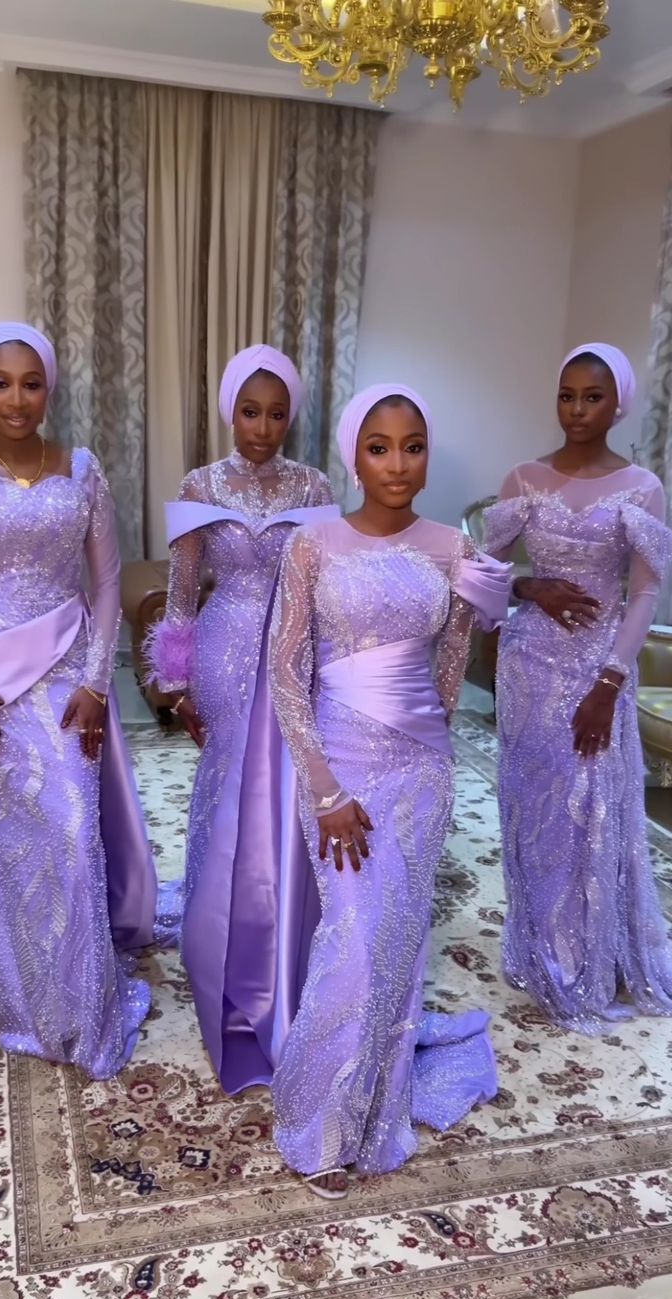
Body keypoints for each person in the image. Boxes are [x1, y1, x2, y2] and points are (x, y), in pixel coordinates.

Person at [267, 383, 510, 1198]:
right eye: (379, 446)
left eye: (412, 446)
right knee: (353, 943)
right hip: (337, 770)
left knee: (398, 946)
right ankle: (318, 1121)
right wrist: (326, 786)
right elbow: (285, 674)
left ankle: (372, 1109)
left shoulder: (453, 547)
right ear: (352, 453)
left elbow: (448, 677)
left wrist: (423, 757)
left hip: (421, 772)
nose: (398, 463)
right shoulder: (313, 543)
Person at [0, 322, 155, 1078]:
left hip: (65, 667)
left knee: (68, 824)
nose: (17, 399)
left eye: (31, 383)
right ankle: (13, 990)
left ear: (49, 386)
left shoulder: (83, 467)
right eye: (1, 382)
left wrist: (99, 683)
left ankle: (76, 1004)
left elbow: (103, 583)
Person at [146, 344, 338, 1095]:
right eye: (250, 412)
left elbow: (327, 583)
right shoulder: (202, 483)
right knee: (229, 791)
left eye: (277, 412)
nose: (263, 428)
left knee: (289, 794)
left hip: (297, 651)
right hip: (226, 651)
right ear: (232, 411)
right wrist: (175, 677)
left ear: (293, 414)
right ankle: (219, 934)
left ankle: (282, 932)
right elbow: (184, 586)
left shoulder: (316, 484)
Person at [484, 341, 672, 1032]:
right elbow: (477, 574)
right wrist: (527, 584)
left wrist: (611, 683)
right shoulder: (523, 480)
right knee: (534, 803)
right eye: (567, 395)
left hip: (598, 668)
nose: (577, 410)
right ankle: (540, 941)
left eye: (592, 397)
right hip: (529, 664)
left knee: (588, 806)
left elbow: (647, 594)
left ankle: (587, 953)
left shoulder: (641, 487)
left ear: (616, 403)